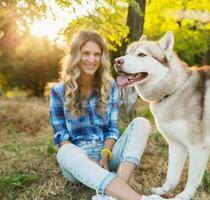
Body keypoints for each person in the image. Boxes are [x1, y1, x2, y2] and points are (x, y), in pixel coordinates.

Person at [49, 30, 165, 200]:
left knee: (141, 123)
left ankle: (114, 193)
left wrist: (106, 153)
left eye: (97, 54)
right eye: (86, 53)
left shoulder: (109, 86)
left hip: (107, 156)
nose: (92, 59)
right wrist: (89, 161)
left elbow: (112, 129)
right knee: (64, 151)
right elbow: (61, 136)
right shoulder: (58, 91)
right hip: (78, 161)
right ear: (75, 55)